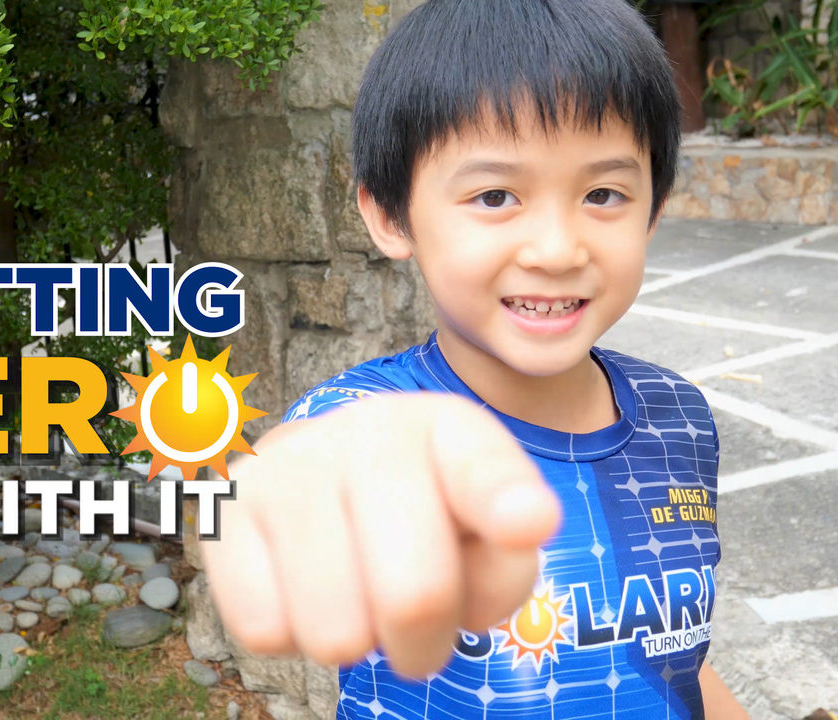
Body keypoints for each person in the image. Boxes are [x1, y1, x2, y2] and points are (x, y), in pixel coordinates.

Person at [200, 0, 750, 717]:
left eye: (603, 193)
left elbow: (670, 659)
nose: (556, 249)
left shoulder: (680, 417)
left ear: (654, 205)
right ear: (391, 216)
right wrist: (283, 482)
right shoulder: (364, 420)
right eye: (496, 195)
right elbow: (303, 467)